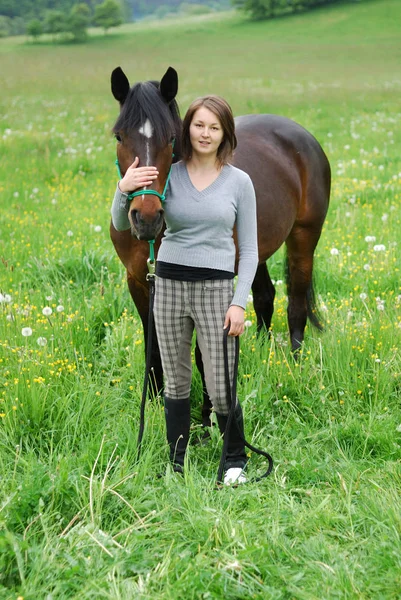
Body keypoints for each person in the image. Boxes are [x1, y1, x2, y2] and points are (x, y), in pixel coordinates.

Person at [111, 95, 258, 485]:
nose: (205, 134)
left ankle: (235, 460)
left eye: (214, 127)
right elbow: (121, 223)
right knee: (175, 381)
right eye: (199, 125)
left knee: (221, 383)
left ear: (225, 133)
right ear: (185, 130)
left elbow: (252, 251)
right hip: (170, 286)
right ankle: (177, 462)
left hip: (215, 290)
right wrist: (122, 187)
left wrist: (239, 302)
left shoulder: (239, 182)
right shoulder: (169, 174)